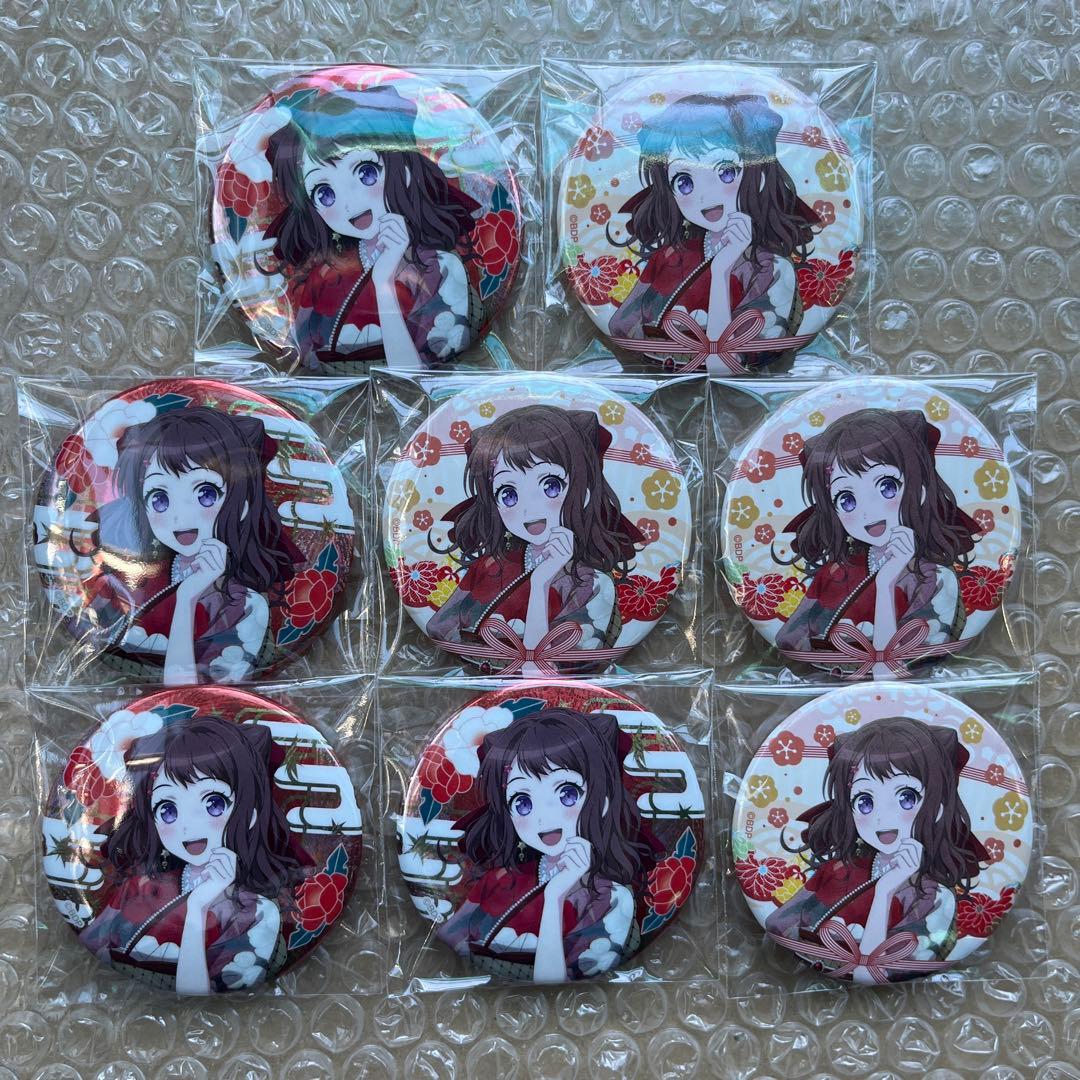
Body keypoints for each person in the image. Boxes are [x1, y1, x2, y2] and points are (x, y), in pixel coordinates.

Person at [79, 712, 304, 993]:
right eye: (168, 810)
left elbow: (200, 992)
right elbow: (90, 947)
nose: (189, 826)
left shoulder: (257, 914)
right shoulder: (140, 886)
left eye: (213, 804)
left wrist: (198, 908)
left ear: (250, 814)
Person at [260, 83, 481, 368]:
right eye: (324, 193)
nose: (351, 203)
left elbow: (413, 376)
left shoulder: (441, 269)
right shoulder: (322, 277)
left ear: (404, 169)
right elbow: (302, 355)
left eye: (366, 173)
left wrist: (384, 283)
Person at [766, 716, 989, 984]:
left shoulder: (934, 898)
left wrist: (884, 893)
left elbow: (875, 972)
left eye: (906, 798)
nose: (882, 818)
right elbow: (777, 926)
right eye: (865, 801)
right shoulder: (837, 870)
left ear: (938, 807)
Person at [436, 708, 653, 981]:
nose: (543, 818)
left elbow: (553, 981)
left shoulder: (610, 898)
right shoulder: (500, 879)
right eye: (523, 803)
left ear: (603, 801)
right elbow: (446, 940)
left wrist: (555, 897)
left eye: (567, 794)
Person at [425, 405, 643, 674]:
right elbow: (439, 630)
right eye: (508, 494)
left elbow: (553, 668)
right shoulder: (488, 567)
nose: (529, 510)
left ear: (584, 492)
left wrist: (541, 584)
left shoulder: (593, 583)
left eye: (550, 486)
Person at [608, 93, 819, 369]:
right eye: (684, 182)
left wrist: (721, 272)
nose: (705, 195)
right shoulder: (668, 257)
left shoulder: (772, 269)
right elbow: (622, 330)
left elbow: (727, 364)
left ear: (759, 174)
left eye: (726, 172)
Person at [775, 409, 980, 677]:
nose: (868, 512)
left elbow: (896, 668)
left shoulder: (935, 578)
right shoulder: (833, 573)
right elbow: (789, 643)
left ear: (919, 489)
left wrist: (886, 585)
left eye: (887, 487)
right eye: (847, 500)